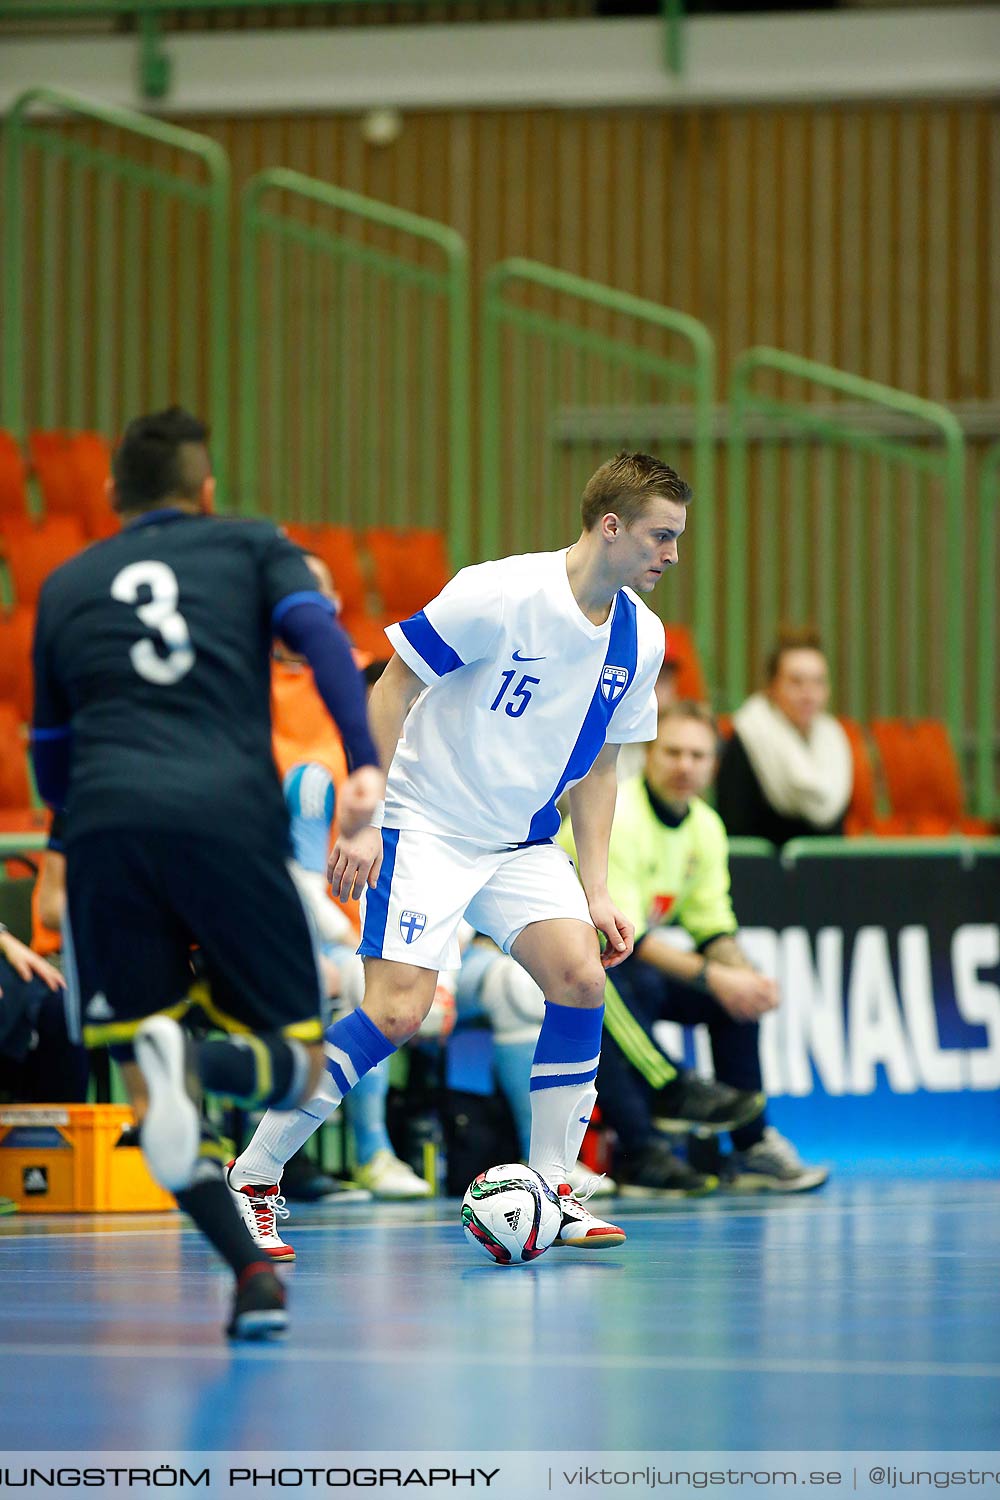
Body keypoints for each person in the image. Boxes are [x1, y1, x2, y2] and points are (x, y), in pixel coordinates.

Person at [229, 449, 690, 1256]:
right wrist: (364, 819)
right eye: (660, 535)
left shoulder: (639, 639)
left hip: (518, 840)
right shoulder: (499, 592)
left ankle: (552, 1188)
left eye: (677, 538)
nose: (671, 555)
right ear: (610, 527)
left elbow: (604, 763)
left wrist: (600, 887)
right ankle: (254, 1177)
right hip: (426, 823)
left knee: (581, 978)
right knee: (397, 1013)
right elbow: (391, 689)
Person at [30, 406, 383, 1339]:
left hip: (106, 832)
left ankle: (250, 1279)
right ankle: (193, 1063)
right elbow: (321, 643)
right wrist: (364, 763)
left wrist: (66, 856)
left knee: (153, 1107)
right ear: (208, 489)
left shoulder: (64, 586)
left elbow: (50, 759)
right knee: (300, 1060)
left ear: (112, 496)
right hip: (225, 820)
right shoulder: (250, 546)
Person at [564, 701, 828, 1193]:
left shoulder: (705, 826)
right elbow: (629, 939)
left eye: (698, 756)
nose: (685, 765)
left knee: (734, 1001)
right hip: (561, 958)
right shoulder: (620, 817)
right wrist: (714, 975)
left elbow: (713, 929)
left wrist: (741, 976)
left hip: (620, 960)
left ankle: (751, 1147)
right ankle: (644, 1144)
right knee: (621, 982)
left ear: (714, 765)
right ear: (648, 754)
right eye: (673, 752)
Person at [716, 627, 852, 847]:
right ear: (772, 687)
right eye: (796, 682)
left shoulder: (835, 738)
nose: (809, 694)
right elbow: (737, 834)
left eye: (818, 682)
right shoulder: (748, 736)